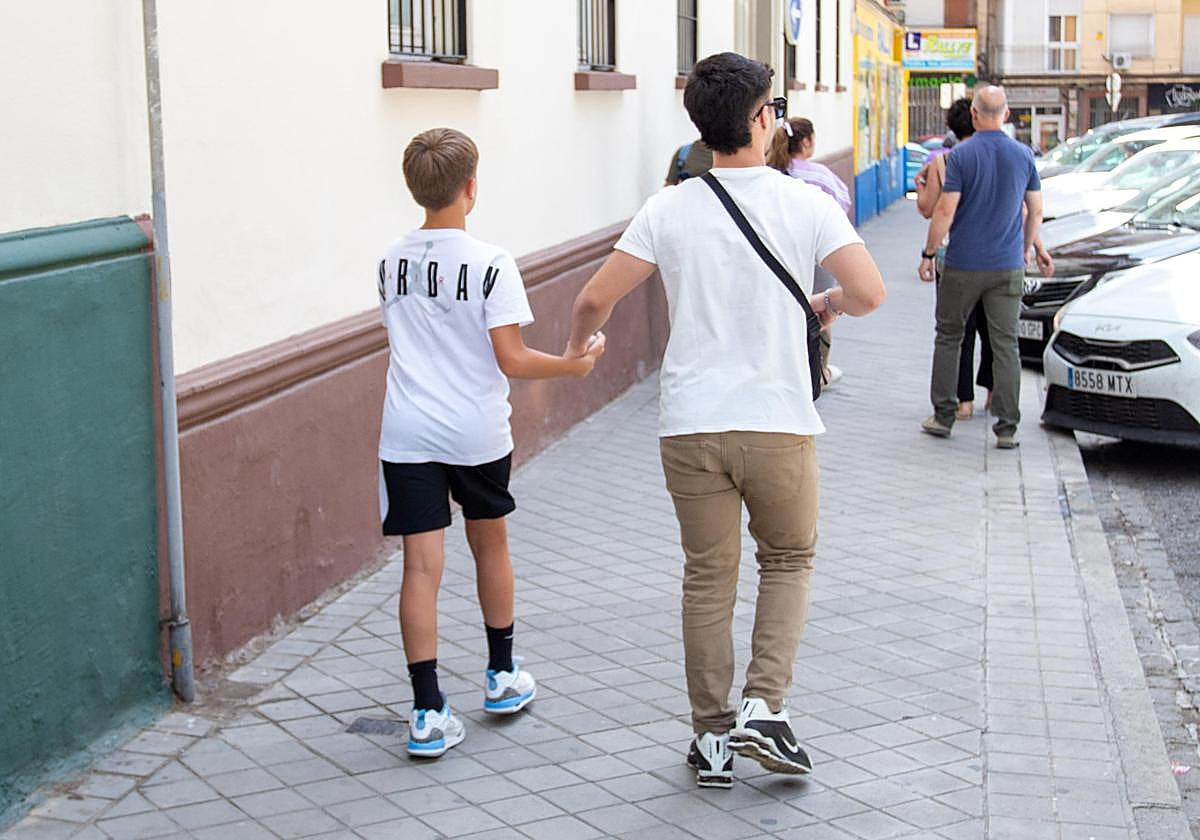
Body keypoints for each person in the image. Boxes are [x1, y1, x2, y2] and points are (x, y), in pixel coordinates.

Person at [566, 53, 886, 788]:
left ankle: (711, 738)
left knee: (708, 578)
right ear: (761, 118)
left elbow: (592, 298)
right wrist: (828, 303)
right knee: (788, 559)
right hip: (777, 421)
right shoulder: (804, 203)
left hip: (691, 424)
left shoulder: (668, 208)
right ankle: (764, 706)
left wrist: (577, 348)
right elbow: (869, 293)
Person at [378, 128, 605, 758]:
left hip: (407, 432)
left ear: (415, 188)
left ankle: (427, 711)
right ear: (471, 188)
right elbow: (511, 358)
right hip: (475, 431)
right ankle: (502, 677)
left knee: (419, 568)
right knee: (490, 544)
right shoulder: (491, 263)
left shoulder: (389, 260)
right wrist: (574, 366)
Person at [918, 87, 1053, 448]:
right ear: (1006, 114)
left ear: (975, 115)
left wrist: (929, 253)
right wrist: (1026, 249)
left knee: (950, 336)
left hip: (962, 264)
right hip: (1007, 266)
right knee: (1006, 344)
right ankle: (1007, 428)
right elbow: (1035, 211)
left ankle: (944, 416)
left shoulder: (961, 155)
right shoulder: (1024, 155)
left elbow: (945, 210)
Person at [915, 98, 993, 420]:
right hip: (995, 252)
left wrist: (920, 185)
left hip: (954, 254)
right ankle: (994, 392)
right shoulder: (995, 155)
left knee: (959, 331)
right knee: (993, 330)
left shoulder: (943, 162)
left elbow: (929, 209)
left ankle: (964, 402)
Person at [766, 117, 852, 385]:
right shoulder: (819, 175)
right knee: (821, 311)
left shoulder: (769, 172)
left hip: (777, 257)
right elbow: (842, 205)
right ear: (806, 142)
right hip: (816, 257)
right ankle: (818, 372)